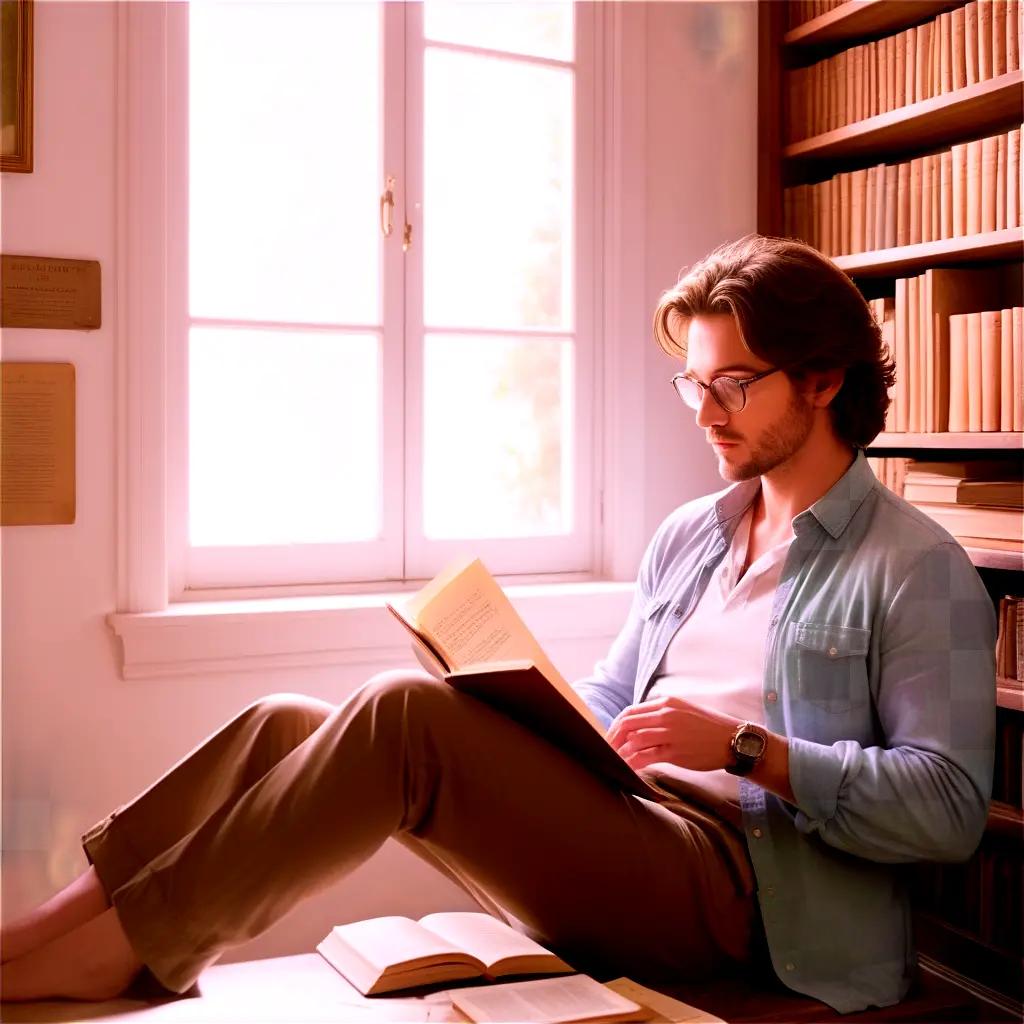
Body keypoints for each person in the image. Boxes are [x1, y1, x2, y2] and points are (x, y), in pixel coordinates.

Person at [0, 235, 995, 1014]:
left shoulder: (914, 567)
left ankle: (129, 953)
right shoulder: (697, 530)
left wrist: (746, 750)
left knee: (401, 718)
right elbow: (612, 693)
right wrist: (520, 695)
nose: (703, 412)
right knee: (287, 721)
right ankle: (55, 923)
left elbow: (948, 810)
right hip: (632, 821)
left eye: (731, 384)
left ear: (821, 382)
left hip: (748, 892)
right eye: (693, 382)